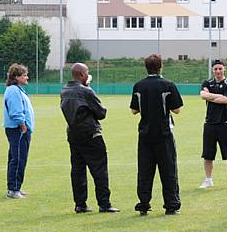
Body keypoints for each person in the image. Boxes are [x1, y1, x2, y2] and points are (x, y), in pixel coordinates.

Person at [60, 63, 119, 214]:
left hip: (73, 135)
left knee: (78, 170)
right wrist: (90, 90)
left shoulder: (65, 91)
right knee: (99, 170)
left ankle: (80, 204)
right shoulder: (86, 91)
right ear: (81, 75)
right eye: (87, 73)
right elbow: (101, 113)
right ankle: (104, 204)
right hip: (90, 134)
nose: (88, 75)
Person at [130, 54, 183, 216]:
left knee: (145, 170)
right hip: (164, 133)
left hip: (145, 134)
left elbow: (134, 110)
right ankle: (171, 205)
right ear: (161, 67)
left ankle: (144, 204)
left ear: (146, 67)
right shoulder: (168, 85)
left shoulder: (138, 86)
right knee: (168, 169)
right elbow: (177, 109)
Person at [199, 59, 227, 190]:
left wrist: (210, 96)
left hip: (225, 123)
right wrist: (217, 97)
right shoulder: (207, 82)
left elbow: (226, 100)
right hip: (209, 123)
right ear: (212, 70)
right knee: (208, 154)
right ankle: (208, 180)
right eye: (215, 69)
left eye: (220, 68)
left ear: (224, 69)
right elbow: (203, 95)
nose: (218, 71)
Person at [3, 63, 35, 199]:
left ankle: (16, 187)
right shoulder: (13, 90)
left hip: (21, 129)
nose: (27, 77)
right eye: (24, 75)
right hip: (18, 129)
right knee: (18, 158)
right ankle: (13, 189)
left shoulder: (18, 89)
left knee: (19, 157)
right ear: (16, 77)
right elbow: (16, 111)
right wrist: (22, 125)